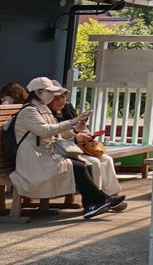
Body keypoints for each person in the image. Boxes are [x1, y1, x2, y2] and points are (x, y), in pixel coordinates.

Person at [9, 77, 124, 220]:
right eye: (49, 91)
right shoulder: (29, 111)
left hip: (44, 155)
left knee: (83, 164)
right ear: (38, 92)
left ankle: (93, 204)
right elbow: (45, 131)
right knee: (78, 167)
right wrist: (71, 122)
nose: (52, 95)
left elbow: (56, 133)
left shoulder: (42, 109)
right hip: (33, 159)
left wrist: (76, 130)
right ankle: (99, 200)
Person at [46, 88, 126, 210]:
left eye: (63, 97)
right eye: (56, 98)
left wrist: (85, 134)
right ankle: (97, 200)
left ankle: (110, 196)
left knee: (106, 159)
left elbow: (76, 131)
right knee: (94, 162)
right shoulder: (48, 115)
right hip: (63, 150)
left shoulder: (67, 109)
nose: (60, 101)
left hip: (75, 148)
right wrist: (76, 138)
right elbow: (54, 138)